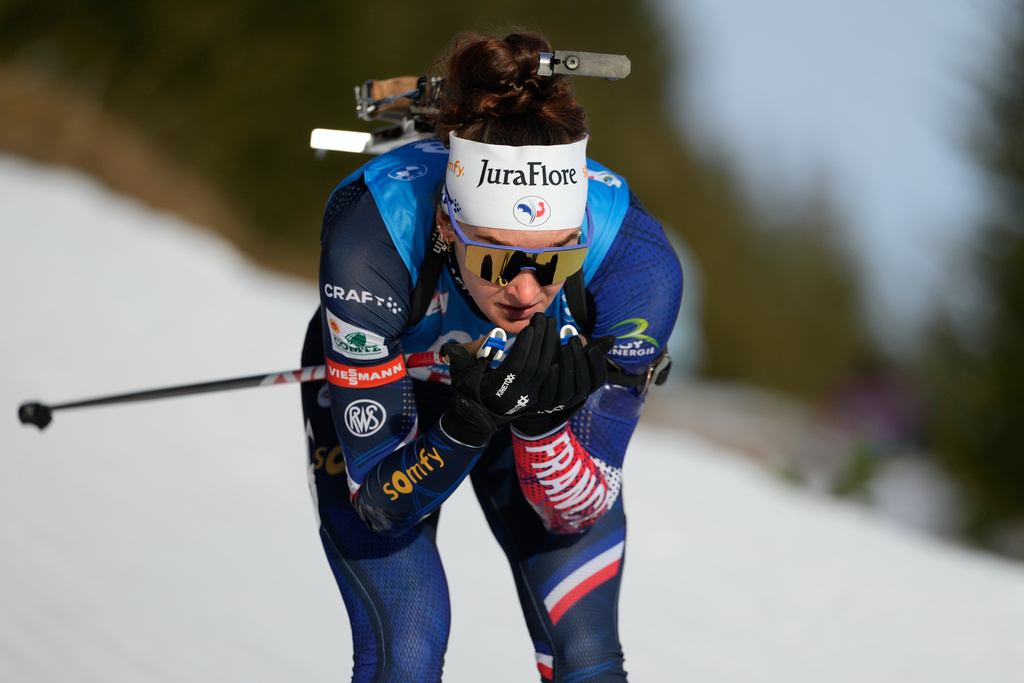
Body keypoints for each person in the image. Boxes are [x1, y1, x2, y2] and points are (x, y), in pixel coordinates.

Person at [300, 30, 683, 683]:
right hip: (406, 398)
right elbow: (379, 501)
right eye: (496, 258)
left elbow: (581, 507)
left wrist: (540, 425)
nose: (528, 289)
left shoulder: (634, 263)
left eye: (555, 258)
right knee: (406, 652)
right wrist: (462, 427)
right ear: (448, 226)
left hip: (533, 419)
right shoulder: (378, 230)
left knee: (586, 663)